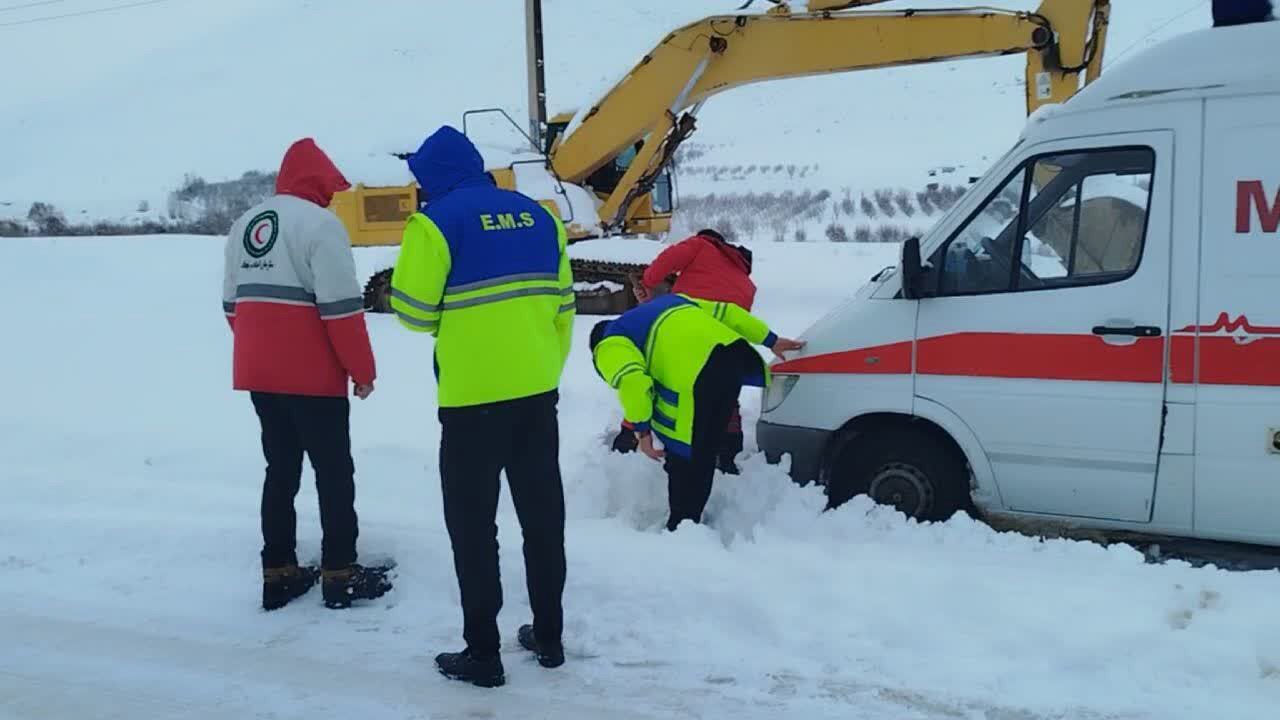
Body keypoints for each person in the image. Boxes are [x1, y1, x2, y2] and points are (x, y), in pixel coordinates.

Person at [389, 126, 574, 688]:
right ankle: (549, 638)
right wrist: (540, 363)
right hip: (538, 395)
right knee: (543, 519)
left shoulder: (435, 223)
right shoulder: (539, 215)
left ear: (434, 177)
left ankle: (483, 654)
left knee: (474, 528)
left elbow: (413, 313)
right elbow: (564, 306)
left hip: (472, 401)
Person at [222, 138, 393, 612]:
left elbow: (231, 306)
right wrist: (362, 370)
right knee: (334, 472)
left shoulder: (246, 223)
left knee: (280, 469)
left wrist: (263, 347)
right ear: (318, 182)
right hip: (313, 376)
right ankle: (341, 572)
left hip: (259, 372)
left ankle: (278, 571)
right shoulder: (322, 225)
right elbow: (341, 310)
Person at [589, 294, 804, 531]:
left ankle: (682, 526)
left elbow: (633, 382)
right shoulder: (669, 301)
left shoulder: (608, 345)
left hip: (698, 378)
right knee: (706, 446)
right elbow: (728, 312)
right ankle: (692, 522)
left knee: (685, 451)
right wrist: (770, 339)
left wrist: (643, 432)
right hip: (732, 359)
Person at [613, 229, 757, 475]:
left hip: (689, 330)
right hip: (727, 344)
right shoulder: (746, 283)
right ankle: (728, 449)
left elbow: (667, 262)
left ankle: (630, 435)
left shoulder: (702, 245)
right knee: (722, 387)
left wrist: (647, 283)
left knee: (662, 378)